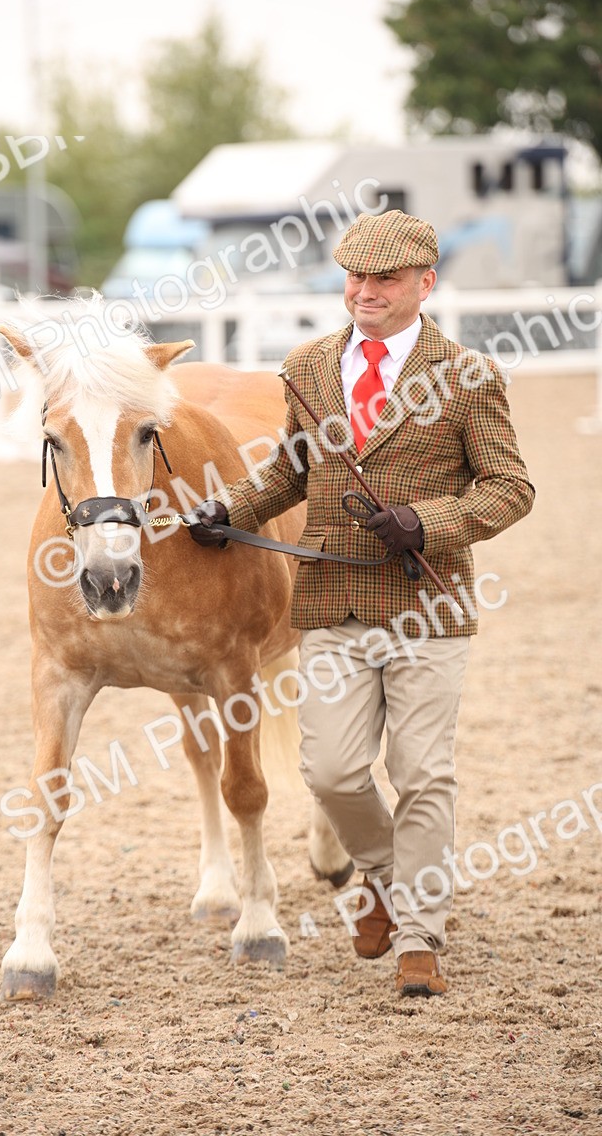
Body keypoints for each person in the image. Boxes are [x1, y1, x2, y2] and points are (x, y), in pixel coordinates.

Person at [188, 209, 535, 997]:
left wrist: (427, 521)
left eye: (383, 279)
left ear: (425, 284)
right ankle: (384, 876)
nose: (365, 291)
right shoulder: (308, 368)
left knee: (422, 774)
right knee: (333, 773)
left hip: (427, 605)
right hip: (334, 600)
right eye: (355, 276)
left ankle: (421, 936)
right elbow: (287, 473)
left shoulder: (468, 376)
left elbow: (512, 487)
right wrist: (228, 513)